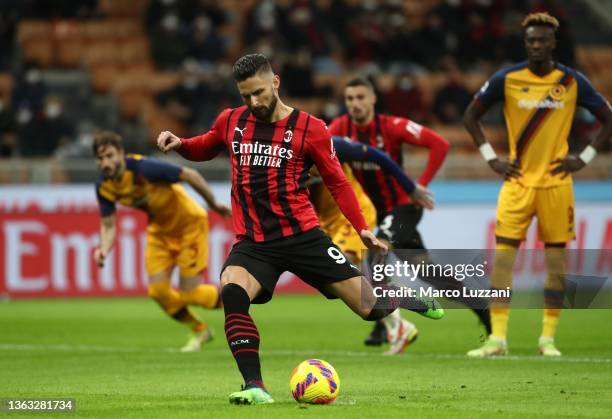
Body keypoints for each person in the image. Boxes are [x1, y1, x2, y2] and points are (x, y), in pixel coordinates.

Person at [156, 53, 444, 405]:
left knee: (369, 307)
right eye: (245, 95)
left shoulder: (312, 129)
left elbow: (338, 183)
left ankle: (408, 297)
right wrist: (181, 144)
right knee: (232, 290)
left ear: (275, 81)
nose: (254, 102)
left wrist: (362, 228)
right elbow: (206, 145)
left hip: (304, 237)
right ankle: (255, 387)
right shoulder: (231, 121)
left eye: (259, 92)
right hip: (255, 242)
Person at [463, 12, 612, 357]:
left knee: (556, 267)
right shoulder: (508, 78)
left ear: (553, 43)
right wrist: (491, 158)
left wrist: (584, 157)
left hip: (556, 186)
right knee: (502, 263)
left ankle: (547, 338)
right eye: (530, 41)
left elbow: (608, 118)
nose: (535, 46)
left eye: (542, 40)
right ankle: (498, 338)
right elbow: (470, 116)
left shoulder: (572, 82)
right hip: (517, 185)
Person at [330, 77, 492, 347]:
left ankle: (386, 323)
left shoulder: (391, 126)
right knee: (427, 272)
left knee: (375, 253)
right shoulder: (339, 128)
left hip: (403, 207)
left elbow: (439, 143)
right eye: (350, 99)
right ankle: (482, 308)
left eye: (360, 98)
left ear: (373, 99)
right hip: (373, 213)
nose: (355, 104)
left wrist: (421, 186)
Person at [92, 131, 232, 352]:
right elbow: (108, 225)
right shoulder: (104, 186)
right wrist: (103, 249)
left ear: (121, 153)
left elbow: (191, 174)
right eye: (101, 159)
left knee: (190, 294)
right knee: (158, 292)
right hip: (159, 231)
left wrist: (213, 204)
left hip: (189, 225)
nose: (106, 163)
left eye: (110, 155)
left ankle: (238, 299)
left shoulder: (144, 168)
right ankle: (200, 329)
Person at [310, 136, 434, 355]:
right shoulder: (281, 154)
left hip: (351, 214)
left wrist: (410, 188)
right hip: (324, 220)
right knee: (336, 278)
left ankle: (397, 312)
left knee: (340, 268)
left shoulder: (329, 144)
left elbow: (378, 155)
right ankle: (398, 325)